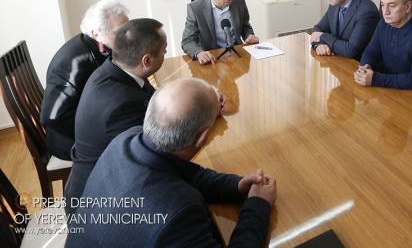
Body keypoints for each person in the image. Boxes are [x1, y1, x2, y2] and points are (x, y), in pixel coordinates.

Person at [65, 78, 276, 247]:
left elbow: (186, 173)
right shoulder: (179, 214)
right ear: (203, 137)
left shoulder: (126, 140)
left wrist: (236, 186)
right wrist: (258, 205)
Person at [65, 18, 167, 214]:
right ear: (146, 61)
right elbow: (156, 153)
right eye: (164, 49)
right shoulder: (122, 106)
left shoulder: (117, 69)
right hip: (97, 207)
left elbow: (152, 98)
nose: (166, 52)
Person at [41, 0, 129, 160]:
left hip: (91, 122)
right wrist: (92, 134)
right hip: (71, 141)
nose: (128, 36)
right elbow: (52, 116)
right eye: (120, 31)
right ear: (97, 34)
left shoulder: (101, 46)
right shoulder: (75, 62)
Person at [182, 0, 258, 65]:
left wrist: (249, 36)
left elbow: (245, 26)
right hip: (212, 56)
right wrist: (199, 53)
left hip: (236, 52)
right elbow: (187, 41)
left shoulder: (239, 1)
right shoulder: (195, 8)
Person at [310, 0, 379, 59]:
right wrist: (319, 45)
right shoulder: (336, 3)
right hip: (338, 58)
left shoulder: (366, 11)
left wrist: (323, 36)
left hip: (358, 64)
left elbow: (351, 51)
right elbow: (318, 29)